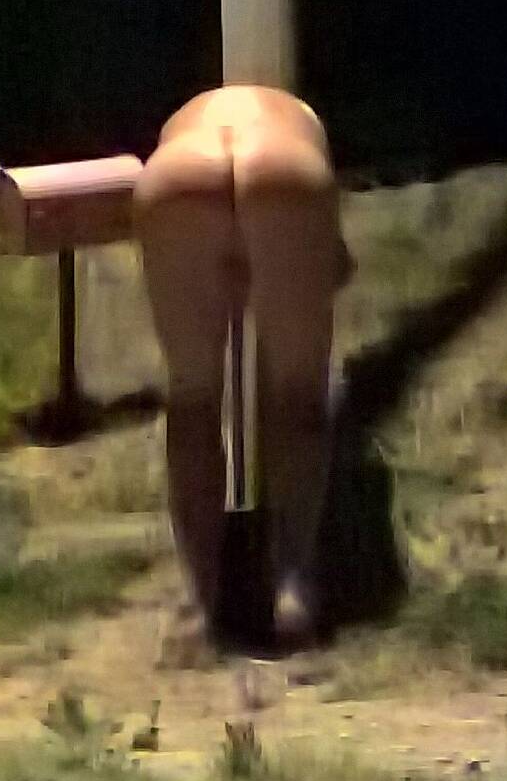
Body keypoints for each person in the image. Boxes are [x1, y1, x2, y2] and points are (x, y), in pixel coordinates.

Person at [133, 84, 353, 651]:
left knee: (192, 395)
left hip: (178, 171)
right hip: (285, 168)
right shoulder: (299, 115)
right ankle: (293, 585)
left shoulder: (188, 114)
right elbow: (336, 262)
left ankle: (203, 603)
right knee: (298, 393)